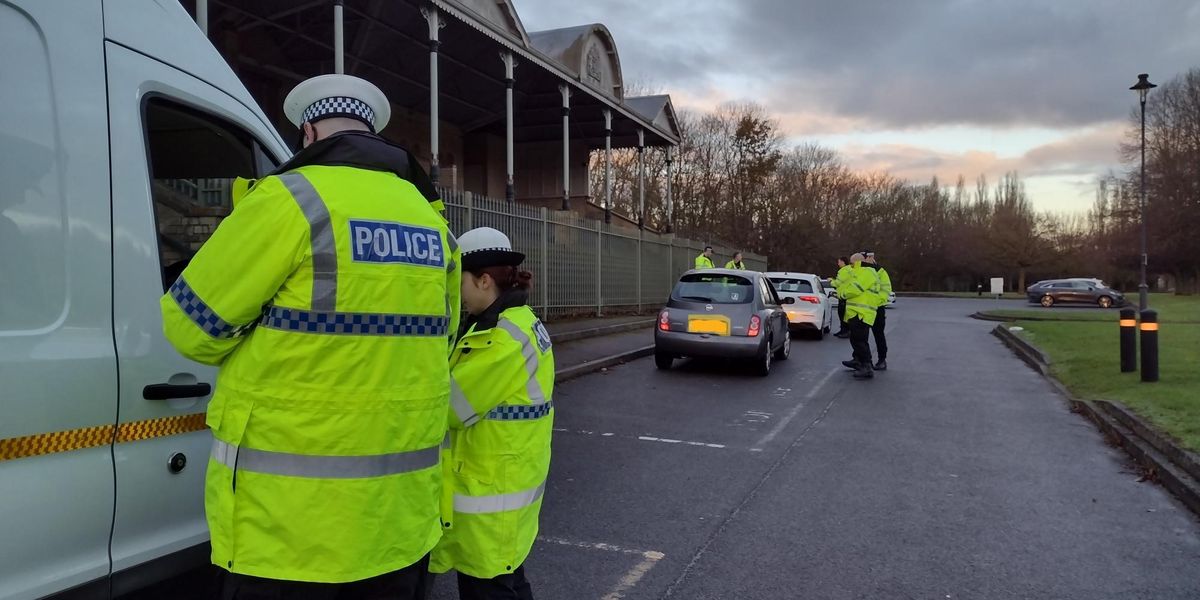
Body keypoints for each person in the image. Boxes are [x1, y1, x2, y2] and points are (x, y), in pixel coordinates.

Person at [160, 73, 460, 599]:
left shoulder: (288, 199)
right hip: (399, 526)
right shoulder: (432, 221)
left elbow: (190, 329)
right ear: (370, 132)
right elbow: (442, 337)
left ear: (309, 132)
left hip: (287, 534)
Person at [430, 227, 554, 600]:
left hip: (490, 494)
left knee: (489, 587)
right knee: (509, 580)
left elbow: (451, 408)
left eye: (460, 281)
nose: (455, 292)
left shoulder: (500, 341)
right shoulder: (513, 322)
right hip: (504, 485)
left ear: (484, 280)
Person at [838, 253, 884, 379]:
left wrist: (842, 294)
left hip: (862, 313)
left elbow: (856, 288)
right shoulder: (863, 272)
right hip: (858, 312)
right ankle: (862, 363)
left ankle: (866, 366)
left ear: (857, 262)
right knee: (857, 340)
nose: (851, 267)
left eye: (852, 264)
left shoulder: (866, 272)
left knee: (859, 340)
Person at [862, 250, 892, 371]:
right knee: (861, 335)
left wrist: (875, 302)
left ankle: (882, 360)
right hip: (863, 307)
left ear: (870, 257)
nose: (863, 260)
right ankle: (862, 359)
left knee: (878, 334)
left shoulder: (880, 271)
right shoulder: (862, 270)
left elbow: (886, 290)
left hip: (877, 308)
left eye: (865, 258)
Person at [832, 256, 852, 338]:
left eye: (839, 262)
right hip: (846, 296)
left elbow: (837, 283)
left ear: (843, 262)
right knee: (844, 315)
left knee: (842, 314)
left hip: (843, 297)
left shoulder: (843, 271)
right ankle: (843, 330)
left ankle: (845, 331)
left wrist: (831, 281)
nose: (838, 263)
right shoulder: (850, 269)